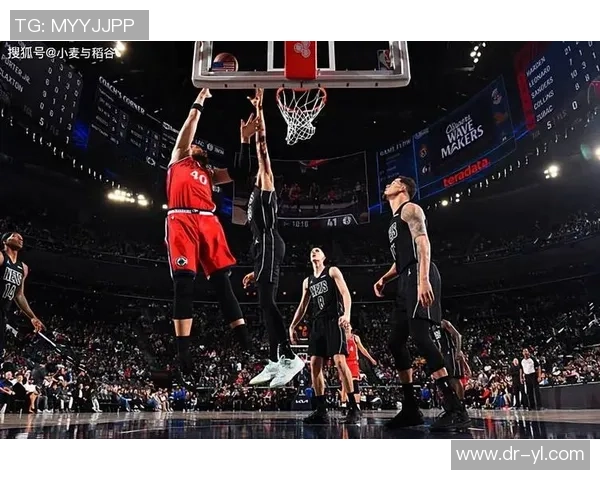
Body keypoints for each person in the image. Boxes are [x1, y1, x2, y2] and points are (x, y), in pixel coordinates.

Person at [165, 87, 261, 384]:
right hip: (181, 218)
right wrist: (200, 100)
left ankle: (246, 343)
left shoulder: (209, 172)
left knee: (222, 282)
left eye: (199, 146)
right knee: (184, 283)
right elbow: (190, 125)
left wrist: (245, 139)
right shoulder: (179, 158)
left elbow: (242, 171)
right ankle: (183, 353)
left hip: (208, 221)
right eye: (194, 145)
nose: (197, 146)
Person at [374, 177, 469, 432]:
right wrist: (384, 278)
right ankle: (410, 409)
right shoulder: (394, 220)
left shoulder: (411, 209)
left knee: (420, 336)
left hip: (419, 273)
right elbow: (401, 259)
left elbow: (423, 243)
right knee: (394, 341)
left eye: (393, 181)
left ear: (403, 188)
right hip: (406, 276)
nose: (388, 185)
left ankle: (455, 408)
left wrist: (423, 279)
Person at [241, 88, 304, 388]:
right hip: (261, 247)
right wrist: (255, 271)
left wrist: (260, 110)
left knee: (267, 302)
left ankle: (289, 357)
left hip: (269, 241)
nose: (260, 166)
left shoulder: (267, 183)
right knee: (264, 304)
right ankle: (274, 360)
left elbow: (263, 146)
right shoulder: (254, 194)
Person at [289, 247, 360, 425]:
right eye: (312, 251)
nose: (314, 252)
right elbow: (302, 306)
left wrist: (347, 315)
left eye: (318, 250)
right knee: (314, 364)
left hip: (334, 320)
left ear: (324, 256)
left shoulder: (332, 271)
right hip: (317, 323)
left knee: (339, 361)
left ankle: (353, 407)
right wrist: (292, 325)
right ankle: (321, 410)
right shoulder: (307, 281)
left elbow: (345, 293)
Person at [0, 232, 45, 361]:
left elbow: (19, 295)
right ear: (5, 241)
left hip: (3, 312)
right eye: (15, 236)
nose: (20, 238)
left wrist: (32, 317)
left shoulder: (23, 268)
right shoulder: (1, 257)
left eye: (21, 237)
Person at [340, 324, 376, 415]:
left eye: (348, 325)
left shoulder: (355, 338)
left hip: (353, 363)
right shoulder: (340, 337)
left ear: (351, 328)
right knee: (344, 384)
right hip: (344, 362)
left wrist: (371, 359)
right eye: (345, 325)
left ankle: (357, 406)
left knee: (355, 384)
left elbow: (363, 349)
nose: (347, 326)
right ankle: (343, 405)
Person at [438, 318, 470, 401]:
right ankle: (454, 402)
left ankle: (461, 402)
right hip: (443, 354)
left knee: (455, 379)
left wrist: (458, 352)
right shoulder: (432, 327)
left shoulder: (444, 323)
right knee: (448, 380)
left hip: (450, 351)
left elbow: (458, 335)